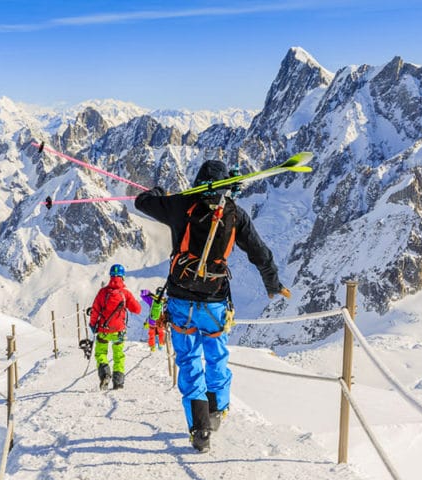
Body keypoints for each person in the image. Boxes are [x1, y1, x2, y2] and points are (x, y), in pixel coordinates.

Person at [135, 159, 290, 453]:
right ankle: (217, 411)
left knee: (189, 361)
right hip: (215, 301)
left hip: (181, 299)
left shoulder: (180, 204)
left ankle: (199, 428)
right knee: (216, 357)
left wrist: (158, 192)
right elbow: (260, 251)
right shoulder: (233, 213)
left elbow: (142, 202)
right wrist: (272, 283)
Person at [88, 264, 142, 390]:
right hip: (119, 331)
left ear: (111, 276)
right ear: (123, 277)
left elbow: (95, 310)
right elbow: (137, 309)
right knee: (119, 355)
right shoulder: (125, 293)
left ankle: (105, 374)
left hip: (103, 330)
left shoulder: (103, 292)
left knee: (101, 353)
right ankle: (118, 383)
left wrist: (92, 324)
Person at [140, 287, 168, 351]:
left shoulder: (152, 300)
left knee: (151, 334)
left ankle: (152, 347)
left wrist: (146, 292)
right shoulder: (165, 301)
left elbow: (142, 296)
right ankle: (161, 345)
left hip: (152, 321)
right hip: (160, 321)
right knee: (161, 333)